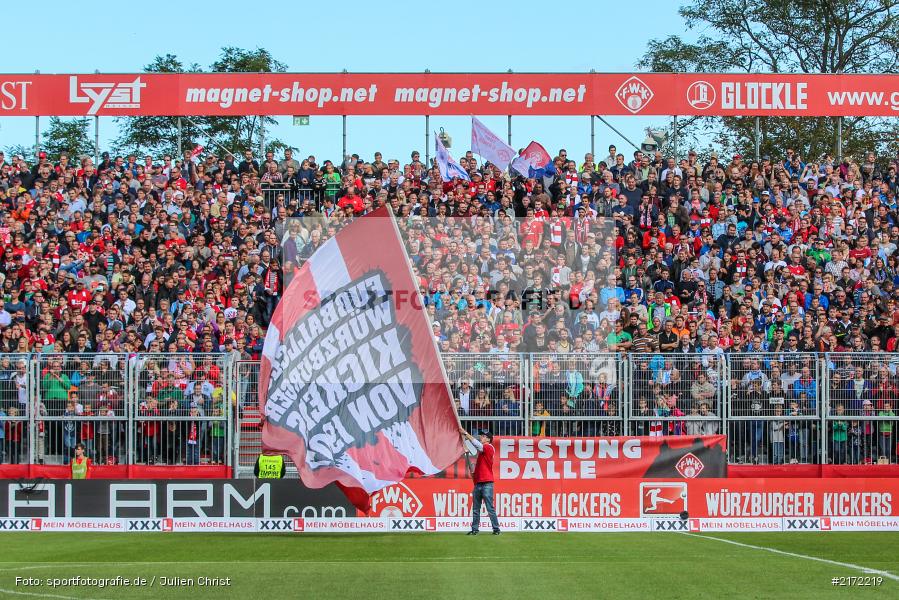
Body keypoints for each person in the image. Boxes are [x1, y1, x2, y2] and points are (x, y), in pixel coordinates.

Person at [461, 428, 500, 535]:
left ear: (488, 439)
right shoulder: (484, 450)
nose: (481, 437)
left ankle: (496, 529)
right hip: (480, 482)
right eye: (481, 435)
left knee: (489, 508)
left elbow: (478, 445)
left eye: (483, 436)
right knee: (476, 508)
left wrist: (465, 433)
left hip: (486, 482)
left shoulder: (489, 447)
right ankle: (475, 529)